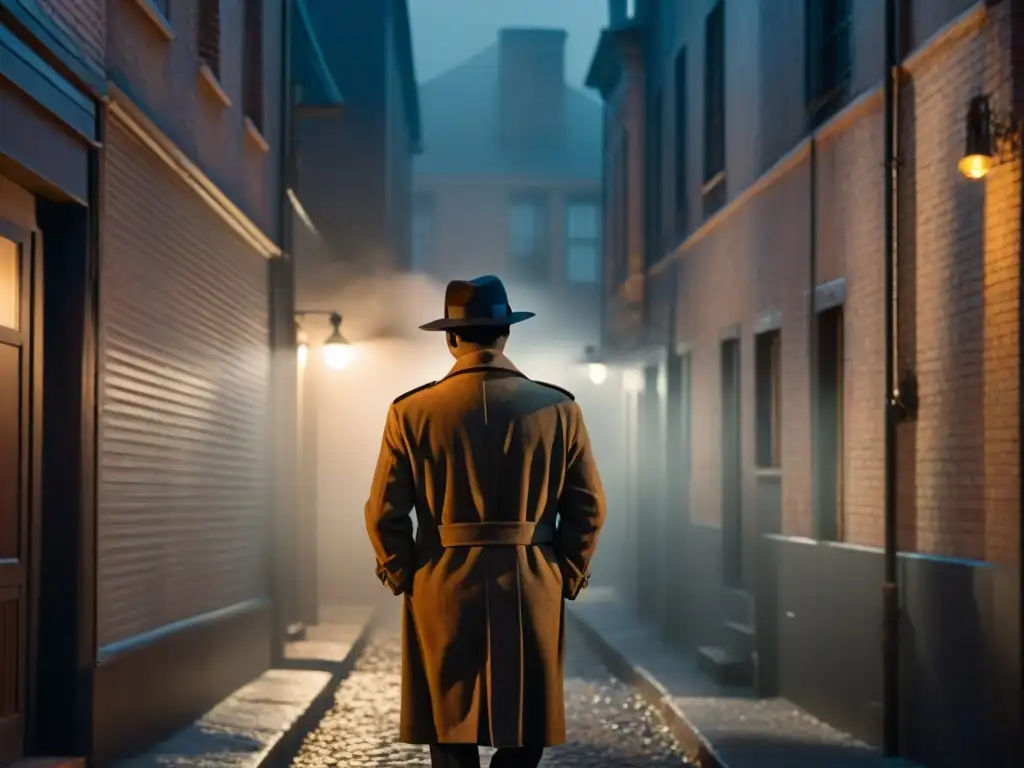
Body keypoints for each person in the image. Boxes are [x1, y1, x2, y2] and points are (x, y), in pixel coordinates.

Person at [364, 275, 607, 768]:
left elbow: (384, 512)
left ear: (451, 337)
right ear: (506, 334)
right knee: (526, 730)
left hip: (441, 579)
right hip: (532, 577)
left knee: (449, 729)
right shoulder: (558, 408)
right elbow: (588, 507)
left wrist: (405, 573)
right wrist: (566, 572)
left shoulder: (410, 412)